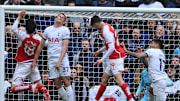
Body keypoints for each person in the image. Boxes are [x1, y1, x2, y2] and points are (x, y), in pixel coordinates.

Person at [91, 15, 135, 101]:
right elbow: (111, 44)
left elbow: (112, 48)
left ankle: (131, 99)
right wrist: (100, 50)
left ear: (96, 24)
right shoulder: (107, 26)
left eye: (94, 26)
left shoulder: (106, 31)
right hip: (113, 57)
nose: (95, 28)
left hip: (116, 57)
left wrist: (101, 59)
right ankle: (96, 99)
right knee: (104, 79)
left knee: (119, 80)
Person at [31, 13, 74, 101]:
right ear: (55, 18)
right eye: (59, 16)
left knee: (67, 82)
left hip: (62, 59)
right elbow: (41, 45)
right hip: (51, 59)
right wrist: (35, 60)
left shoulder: (65, 30)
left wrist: (59, 62)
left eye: (62, 17)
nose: (60, 17)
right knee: (57, 84)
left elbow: (65, 47)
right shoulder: (48, 30)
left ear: (64, 22)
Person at [11, 10, 50, 101]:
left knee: (13, 88)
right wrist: (43, 36)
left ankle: (30, 86)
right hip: (33, 64)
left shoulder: (22, 35)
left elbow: (13, 29)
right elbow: (48, 43)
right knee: (40, 85)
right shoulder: (38, 38)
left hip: (22, 65)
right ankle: (45, 92)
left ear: (26, 28)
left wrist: (19, 16)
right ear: (35, 28)